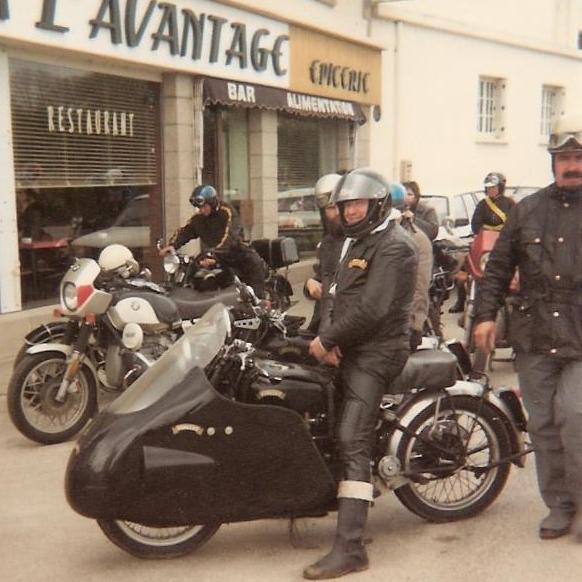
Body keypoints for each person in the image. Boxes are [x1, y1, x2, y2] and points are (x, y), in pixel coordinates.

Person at [473, 113, 582, 542]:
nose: (572, 165)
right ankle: (560, 506)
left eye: (579, 157)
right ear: (553, 162)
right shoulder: (527, 210)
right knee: (542, 425)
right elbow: (497, 269)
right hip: (534, 336)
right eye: (564, 158)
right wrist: (485, 316)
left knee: (575, 416)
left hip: (580, 336)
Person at [305, 168, 418, 579]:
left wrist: (329, 339)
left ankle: (351, 548)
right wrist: (329, 338)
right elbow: (334, 297)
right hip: (352, 345)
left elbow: (373, 309)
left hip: (378, 352)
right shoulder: (355, 239)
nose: (350, 211)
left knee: (352, 439)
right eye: (345, 205)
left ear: (378, 204)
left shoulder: (395, 246)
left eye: (358, 204)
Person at [159, 185, 266, 297]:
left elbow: (230, 236)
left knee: (254, 269)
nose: (201, 210)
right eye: (199, 208)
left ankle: (260, 302)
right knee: (197, 274)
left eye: (204, 207)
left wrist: (214, 253)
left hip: (237, 255)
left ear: (212, 203)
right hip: (215, 256)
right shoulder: (199, 218)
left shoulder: (227, 212)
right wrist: (172, 246)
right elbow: (187, 231)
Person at [390, 182, 433, 350]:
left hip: (401, 326)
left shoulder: (416, 240)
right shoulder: (371, 238)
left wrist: (413, 325)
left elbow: (419, 287)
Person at [304, 173, 344, 333]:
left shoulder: (362, 240)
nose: (337, 213)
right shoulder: (328, 243)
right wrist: (310, 284)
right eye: (330, 208)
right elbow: (323, 277)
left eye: (340, 206)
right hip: (323, 322)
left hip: (347, 326)